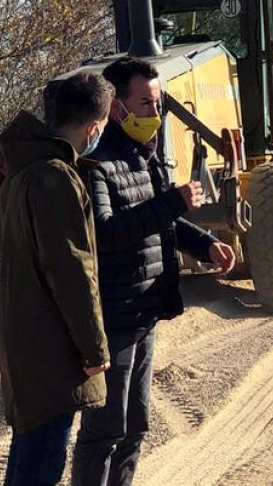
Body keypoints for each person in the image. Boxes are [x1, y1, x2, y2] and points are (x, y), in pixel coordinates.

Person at [75, 56, 237, 486]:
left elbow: (160, 219)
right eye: (146, 103)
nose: (156, 113)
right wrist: (174, 202)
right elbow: (106, 233)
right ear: (117, 109)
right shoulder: (97, 166)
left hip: (146, 311)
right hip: (115, 318)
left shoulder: (143, 158)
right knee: (104, 433)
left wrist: (205, 243)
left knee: (136, 428)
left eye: (159, 102)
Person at [0, 72, 114, 486]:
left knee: (29, 458)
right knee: (41, 465)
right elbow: (72, 272)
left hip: (25, 344)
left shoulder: (20, 172)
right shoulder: (56, 177)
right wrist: (94, 348)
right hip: (51, 350)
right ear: (94, 128)